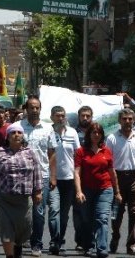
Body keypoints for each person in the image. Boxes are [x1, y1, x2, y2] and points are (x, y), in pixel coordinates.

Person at [0, 123, 43, 258]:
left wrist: (38, 191)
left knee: (24, 229)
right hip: (4, 199)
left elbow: (37, 173)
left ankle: (18, 246)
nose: (16, 135)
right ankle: (10, 255)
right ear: (7, 137)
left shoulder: (30, 152)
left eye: (19, 133)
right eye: (13, 133)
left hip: (24, 200)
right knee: (6, 229)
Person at [13, 96, 59, 256]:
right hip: (20, 177)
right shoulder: (16, 127)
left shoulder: (48, 129)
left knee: (39, 213)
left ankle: (36, 244)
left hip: (42, 177)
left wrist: (53, 176)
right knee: (22, 212)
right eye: (31, 107)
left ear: (40, 109)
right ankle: (19, 241)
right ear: (26, 109)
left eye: (37, 107)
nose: (34, 110)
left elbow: (52, 154)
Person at [74, 122, 122, 258]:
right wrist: (78, 191)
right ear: (88, 134)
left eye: (98, 133)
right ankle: (88, 246)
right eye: (93, 132)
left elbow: (112, 173)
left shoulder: (106, 151)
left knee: (102, 218)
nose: (96, 135)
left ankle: (102, 248)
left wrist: (117, 192)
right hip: (87, 189)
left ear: (102, 135)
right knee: (87, 219)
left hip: (105, 189)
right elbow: (77, 173)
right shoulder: (81, 151)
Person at [106, 108, 135, 255]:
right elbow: (108, 162)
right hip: (117, 177)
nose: (127, 121)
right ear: (119, 120)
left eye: (130, 119)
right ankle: (115, 237)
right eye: (124, 119)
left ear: (134, 120)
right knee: (117, 213)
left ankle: (132, 244)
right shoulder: (112, 138)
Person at [50, 106, 80, 253]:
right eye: (57, 116)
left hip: (68, 178)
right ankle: (53, 239)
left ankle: (59, 239)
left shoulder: (72, 132)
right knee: (53, 211)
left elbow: (77, 155)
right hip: (51, 178)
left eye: (62, 115)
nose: (60, 118)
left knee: (64, 213)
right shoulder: (48, 132)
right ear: (51, 117)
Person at [74, 105, 94, 251]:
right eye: (83, 116)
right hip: (77, 176)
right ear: (79, 117)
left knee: (93, 211)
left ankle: (91, 241)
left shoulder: (97, 133)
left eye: (88, 116)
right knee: (79, 211)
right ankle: (80, 239)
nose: (85, 118)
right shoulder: (73, 133)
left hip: (93, 177)